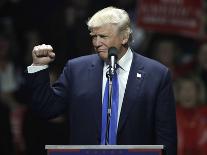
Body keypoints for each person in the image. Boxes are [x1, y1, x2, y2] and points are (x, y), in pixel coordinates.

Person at [25, 6, 177, 155]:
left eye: (103, 36)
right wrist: (38, 66)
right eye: (93, 36)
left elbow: (166, 136)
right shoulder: (77, 69)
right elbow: (47, 108)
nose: (96, 43)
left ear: (124, 36)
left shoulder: (156, 75)